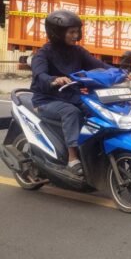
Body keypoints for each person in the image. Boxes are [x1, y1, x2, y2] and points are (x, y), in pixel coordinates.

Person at [30, 10, 110, 177]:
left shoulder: (77, 51)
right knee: (71, 112)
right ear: (57, 33)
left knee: (99, 109)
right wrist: (53, 79)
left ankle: (96, 149)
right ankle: (72, 159)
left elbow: (98, 65)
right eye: (71, 32)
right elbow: (40, 75)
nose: (76, 35)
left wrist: (118, 72)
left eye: (77, 31)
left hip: (71, 96)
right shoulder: (43, 54)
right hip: (46, 100)